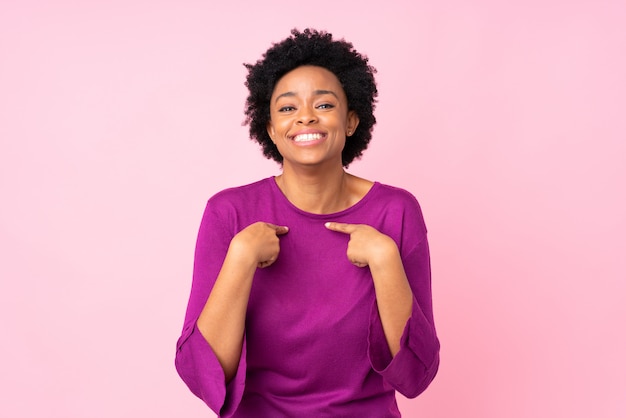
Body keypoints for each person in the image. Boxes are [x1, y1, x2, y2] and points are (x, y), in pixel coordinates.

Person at [175, 28, 440, 417]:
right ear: (270, 130)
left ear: (351, 121)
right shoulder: (228, 213)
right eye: (286, 108)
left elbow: (416, 374)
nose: (305, 117)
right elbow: (203, 376)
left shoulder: (396, 212)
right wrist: (241, 257)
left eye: (324, 104)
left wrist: (385, 260)